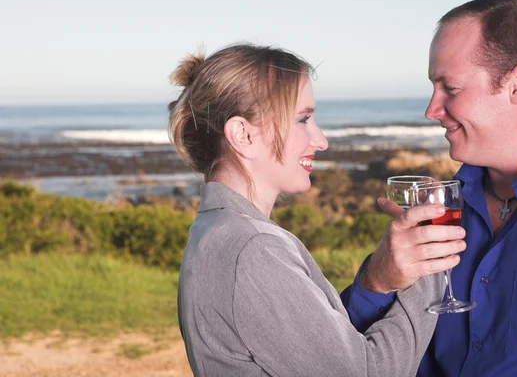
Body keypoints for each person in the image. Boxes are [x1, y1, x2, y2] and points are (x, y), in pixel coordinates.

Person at [170, 43, 466, 376]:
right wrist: (428, 266)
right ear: (243, 135)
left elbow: (319, 349)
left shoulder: (214, 230)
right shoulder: (252, 248)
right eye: (303, 120)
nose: (321, 140)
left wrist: (377, 281)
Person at [342, 0, 517, 376]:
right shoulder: (438, 208)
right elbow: (343, 354)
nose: (432, 110)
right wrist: (378, 279)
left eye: (451, 89)